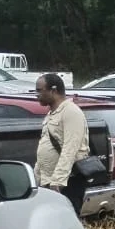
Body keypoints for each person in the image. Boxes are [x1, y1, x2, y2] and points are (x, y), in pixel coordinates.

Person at [35, 73, 88, 215]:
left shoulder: (70, 112)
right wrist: (37, 177)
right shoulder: (51, 113)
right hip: (50, 180)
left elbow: (70, 149)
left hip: (67, 182)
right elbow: (45, 144)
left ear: (53, 90)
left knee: (66, 223)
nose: (36, 94)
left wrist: (57, 181)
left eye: (40, 90)